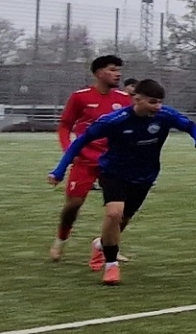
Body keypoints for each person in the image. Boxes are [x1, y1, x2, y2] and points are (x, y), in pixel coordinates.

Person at [48, 79, 196, 286]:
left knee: (121, 221)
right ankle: (111, 265)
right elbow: (80, 141)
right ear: (137, 99)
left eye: (160, 102)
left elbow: (190, 126)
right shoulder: (115, 120)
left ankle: (100, 245)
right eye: (152, 102)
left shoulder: (165, 115)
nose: (157, 107)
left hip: (145, 176)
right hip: (113, 173)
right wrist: (60, 170)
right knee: (114, 214)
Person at [52, 55, 135, 267]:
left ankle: (107, 246)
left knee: (120, 211)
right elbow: (65, 126)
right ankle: (61, 239)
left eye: (119, 70)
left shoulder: (124, 99)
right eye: (112, 70)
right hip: (85, 160)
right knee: (73, 204)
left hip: (113, 162)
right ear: (99, 73)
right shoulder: (80, 97)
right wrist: (69, 150)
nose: (118, 74)